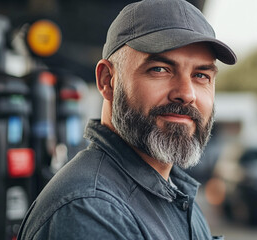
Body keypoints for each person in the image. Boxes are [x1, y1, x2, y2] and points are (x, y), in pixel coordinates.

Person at [17, 0, 236, 239]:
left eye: (201, 75)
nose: (186, 93)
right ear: (107, 81)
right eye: (160, 69)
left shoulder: (174, 191)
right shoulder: (91, 209)